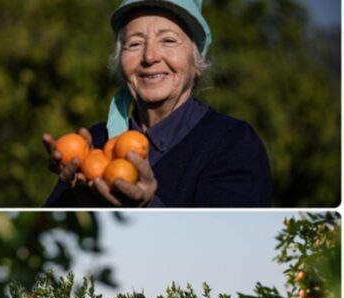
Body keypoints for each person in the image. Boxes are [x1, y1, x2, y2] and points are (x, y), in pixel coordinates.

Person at [43, 0, 271, 207]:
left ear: (197, 61)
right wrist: (79, 203)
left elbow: (221, 241)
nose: (150, 57)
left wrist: (148, 206)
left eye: (168, 40)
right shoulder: (95, 143)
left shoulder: (233, 143)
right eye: (134, 44)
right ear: (120, 62)